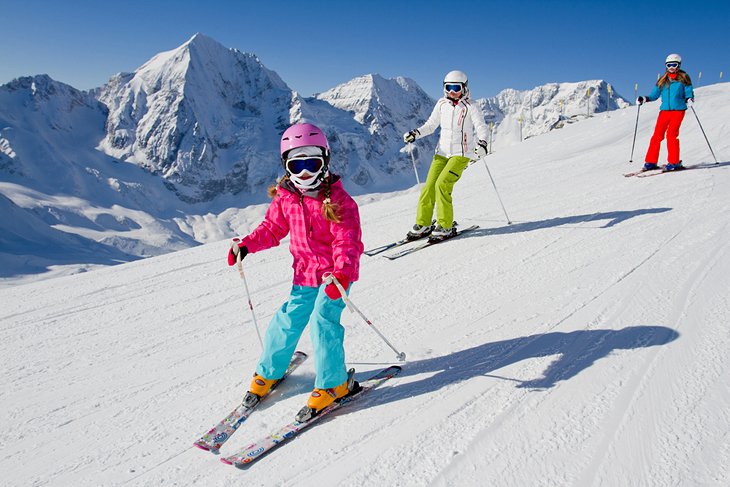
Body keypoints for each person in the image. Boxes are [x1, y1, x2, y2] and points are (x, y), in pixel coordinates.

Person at [227, 122, 364, 419]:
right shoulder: (285, 197)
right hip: (304, 275)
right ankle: (268, 372)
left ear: (325, 161)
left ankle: (334, 385)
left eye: (311, 163)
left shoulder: (340, 201)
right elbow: (272, 228)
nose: (304, 172)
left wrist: (341, 273)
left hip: (334, 278)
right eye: (296, 164)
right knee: (286, 320)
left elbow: (348, 241)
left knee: (323, 322)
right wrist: (247, 244)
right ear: (285, 165)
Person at [403, 70, 490, 241]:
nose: (452, 92)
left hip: (461, 154)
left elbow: (481, 127)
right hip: (441, 153)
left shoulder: (471, 106)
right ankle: (424, 224)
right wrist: (416, 133)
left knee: (442, 185)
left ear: (464, 88)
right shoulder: (442, 104)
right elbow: (431, 125)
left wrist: (483, 143)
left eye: (455, 87)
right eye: (448, 87)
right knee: (428, 187)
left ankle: (445, 225)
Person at [637, 53, 695, 171]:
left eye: (674, 65)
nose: (671, 67)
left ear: (678, 65)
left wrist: (689, 99)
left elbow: (689, 92)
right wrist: (645, 98)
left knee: (671, 135)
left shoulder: (684, 79)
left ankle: (674, 162)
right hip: (664, 112)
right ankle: (651, 162)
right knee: (657, 136)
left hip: (678, 111)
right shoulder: (663, 80)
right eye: (669, 65)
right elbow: (654, 95)